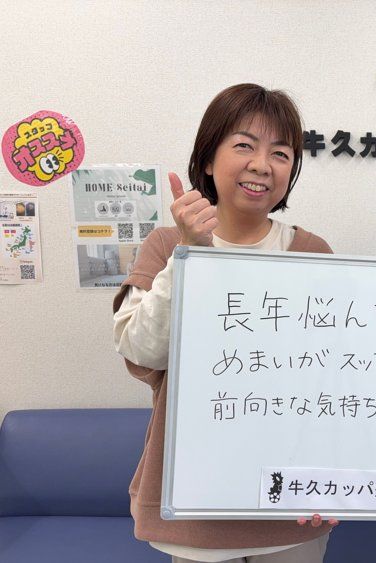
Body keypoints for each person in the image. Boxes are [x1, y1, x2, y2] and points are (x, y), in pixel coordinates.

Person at [113, 84, 336, 563]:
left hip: (288, 504)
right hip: (194, 501)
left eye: (281, 153)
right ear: (209, 159)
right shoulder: (166, 245)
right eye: (244, 145)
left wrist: (337, 476)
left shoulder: (311, 252)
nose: (262, 165)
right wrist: (188, 253)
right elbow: (141, 349)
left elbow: (331, 380)